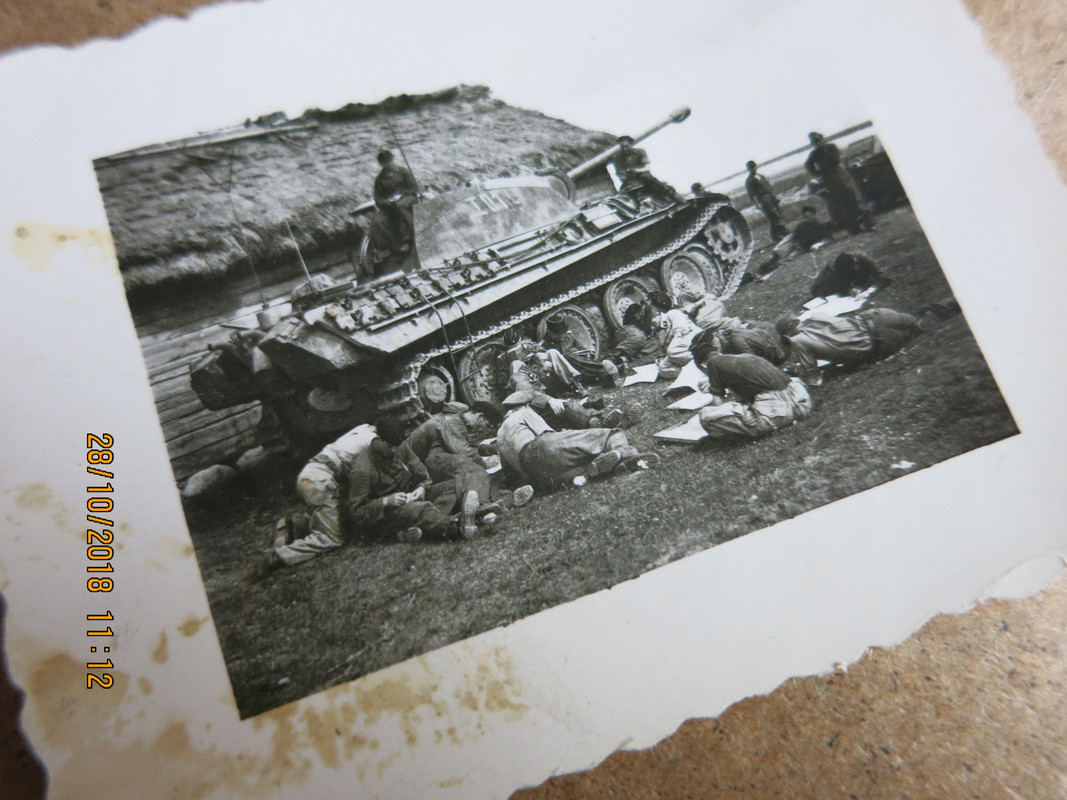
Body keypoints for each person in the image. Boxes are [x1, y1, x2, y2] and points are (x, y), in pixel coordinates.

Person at [344, 415, 487, 544]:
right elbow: (357, 512)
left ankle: (419, 530)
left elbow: (422, 474)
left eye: (396, 446)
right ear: (378, 439)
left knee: (453, 486)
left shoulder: (401, 446)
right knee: (422, 509)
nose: (394, 450)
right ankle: (457, 527)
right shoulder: (363, 469)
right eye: (389, 446)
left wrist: (422, 488)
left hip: (411, 498)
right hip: (387, 515)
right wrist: (386, 501)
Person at [268, 423, 377, 567]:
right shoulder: (372, 443)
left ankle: (295, 525)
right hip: (321, 480)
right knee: (333, 538)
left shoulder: (364, 428)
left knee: (342, 516)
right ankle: (279, 556)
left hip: (313, 472)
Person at [495, 393, 653, 491]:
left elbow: (511, 476)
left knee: (579, 463)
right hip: (541, 447)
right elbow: (547, 438)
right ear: (525, 404)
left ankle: (590, 472)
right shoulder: (523, 412)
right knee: (613, 434)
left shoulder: (499, 435)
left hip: (536, 474)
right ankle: (626, 454)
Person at [407, 402, 534, 514]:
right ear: (480, 417)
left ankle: (501, 499)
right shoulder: (453, 421)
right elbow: (464, 452)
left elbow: (466, 445)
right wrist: (485, 462)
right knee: (473, 469)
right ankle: (485, 504)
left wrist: (489, 449)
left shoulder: (457, 419)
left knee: (472, 473)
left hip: (432, 459)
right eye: (488, 425)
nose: (485, 428)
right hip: (422, 465)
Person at [691, 351, 813, 441]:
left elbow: (718, 405)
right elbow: (743, 397)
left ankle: (731, 439)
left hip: (776, 413)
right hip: (800, 402)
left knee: (706, 416)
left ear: (703, 366)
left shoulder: (713, 363)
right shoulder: (745, 357)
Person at [776, 307, 920, 383]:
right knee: (916, 321)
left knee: (915, 332)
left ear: (786, 335)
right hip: (875, 316)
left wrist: (799, 372)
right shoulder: (817, 315)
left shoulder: (798, 341)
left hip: (877, 343)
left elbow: (812, 376)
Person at [507, 360, 623, 430]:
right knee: (567, 406)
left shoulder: (529, 378)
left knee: (570, 408)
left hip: (536, 414)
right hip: (530, 417)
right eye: (545, 371)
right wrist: (549, 400)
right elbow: (525, 394)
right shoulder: (520, 377)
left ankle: (601, 420)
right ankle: (598, 425)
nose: (547, 375)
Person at [804, 132, 872, 234]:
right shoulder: (814, 153)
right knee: (841, 205)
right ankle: (853, 229)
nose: (817, 143)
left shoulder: (831, 147)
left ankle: (868, 224)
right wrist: (818, 174)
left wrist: (823, 151)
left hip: (842, 177)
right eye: (814, 142)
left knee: (855, 200)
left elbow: (834, 159)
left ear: (822, 139)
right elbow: (808, 165)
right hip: (830, 181)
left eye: (818, 140)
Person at [368, 149, 419, 272]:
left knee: (400, 207)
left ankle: (406, 239)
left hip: (407, 198)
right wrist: (387, 202)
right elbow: (378, 199)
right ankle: (396, 246)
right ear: (382, 164)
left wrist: (401, 195)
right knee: (378, 220)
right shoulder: (380, 179)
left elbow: (414, 189)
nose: (390, 164)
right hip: (391, 205)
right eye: (386, 163)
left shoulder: (403, 172)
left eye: (390, 161)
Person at [541, 315, 622, 387]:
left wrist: (588, 352)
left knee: (576, 359)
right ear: (550, 332)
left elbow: (581, 347)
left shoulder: (568, 336)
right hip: (569, 370)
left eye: (562, 333)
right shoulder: (545, 345)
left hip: (582, 363)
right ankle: (604, 367)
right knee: (567, 356)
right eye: (557, 334)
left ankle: (607, 373)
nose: (561, 336)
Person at [612, 136, 685, 205]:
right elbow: (620, 175)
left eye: (626, 146)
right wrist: (628, 178)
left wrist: (636, 171)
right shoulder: (617, 158)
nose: (625, 149)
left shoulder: (640, 152)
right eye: (622, 147)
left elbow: (647, 167)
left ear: (631, 144)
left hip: (644, 176)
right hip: (630, 181)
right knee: (622, 194)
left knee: (651, 181)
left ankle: (672, 195)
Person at [649, 290, 701, 367]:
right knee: (663, 366)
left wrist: (670, 351)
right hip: (684, 345)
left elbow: (681, 331)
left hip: (693, 339)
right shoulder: (662, 325)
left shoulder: (673, 313)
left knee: (671, 352)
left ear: (658, 311)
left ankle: (698, 357)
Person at [809, 252, 889, 299]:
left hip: (862, 280)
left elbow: (883, 277)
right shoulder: (833, 267)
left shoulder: (863, 259)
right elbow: (815, 289)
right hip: (847, 284)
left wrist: (870, 291)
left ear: (856, 265)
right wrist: (847, 290)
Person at [745, 160, 790, 241]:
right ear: (749, 169)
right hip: (763, 202)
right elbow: (752, 195)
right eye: (751, 167)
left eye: (754, 167)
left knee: (777, 216)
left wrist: (774, 198)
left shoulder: (760, 176)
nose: (753, 168)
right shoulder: (749, 181)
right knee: (773, 218)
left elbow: (768, 188)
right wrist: (757, 205)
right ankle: (777, 235)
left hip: (771, 199)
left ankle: (781, 232)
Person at [610, 302, 662, 369]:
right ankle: (613, 359)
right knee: (640, 337)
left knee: (655, 344)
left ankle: (627, 363)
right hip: (629, 332)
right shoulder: (639, 308)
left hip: (638, 350)